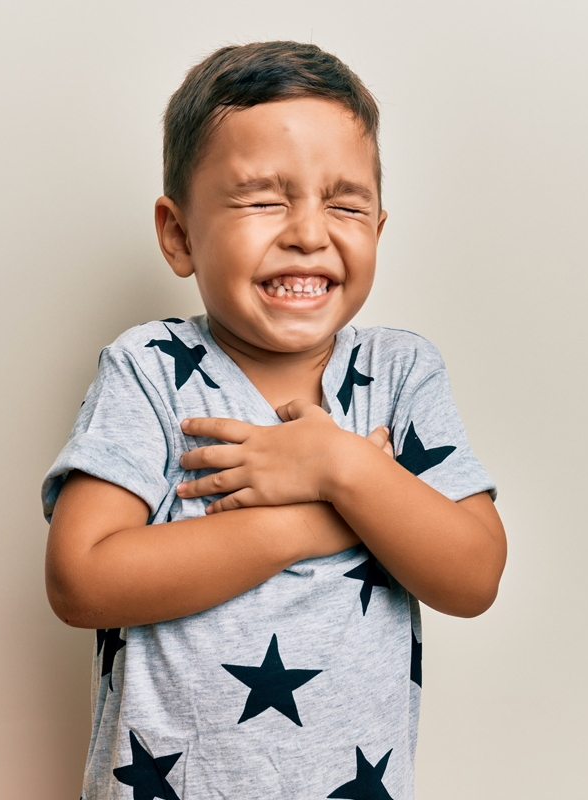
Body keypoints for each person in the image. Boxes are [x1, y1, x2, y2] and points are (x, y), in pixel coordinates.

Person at [41, 41, 506, 799]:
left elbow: (475, 574)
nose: (308, 232)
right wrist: (323, 520)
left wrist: (342, 466)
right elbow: (81, 577)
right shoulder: (149, 370)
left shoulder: (399, 374)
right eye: (264, 200)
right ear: (179, 234)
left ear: (378, 232)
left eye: (345, 203)